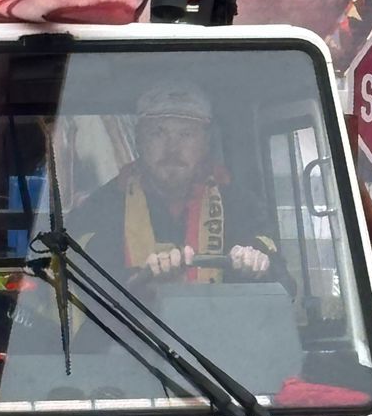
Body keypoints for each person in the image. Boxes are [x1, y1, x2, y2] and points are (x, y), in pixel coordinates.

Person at [69, 82, 279, 286]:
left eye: (186, 134)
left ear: (205, 143)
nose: (172, 149)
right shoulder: (101, 209)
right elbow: (78, 288)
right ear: (139, 141)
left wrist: (258, 268)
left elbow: (285, 288)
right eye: (158, 133)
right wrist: (144, 282)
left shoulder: (241, 205)